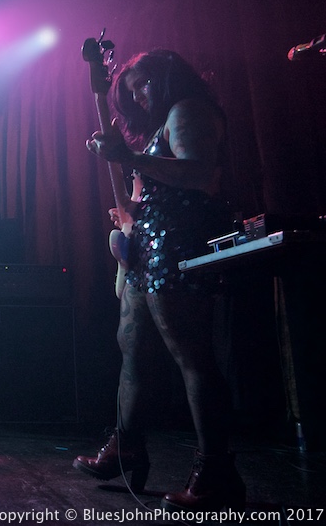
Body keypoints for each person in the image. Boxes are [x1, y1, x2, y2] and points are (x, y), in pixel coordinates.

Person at [76, 49, 245, 511]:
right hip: (148, 248)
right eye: (132, 92)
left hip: (180, 244)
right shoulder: (157, 128)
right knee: (130, 345)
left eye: (146, 85)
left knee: (191, 355)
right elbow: (142, 192)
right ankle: (126, 447)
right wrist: (128, 210)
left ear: (169, 78)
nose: (141, 97)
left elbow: (198, 174)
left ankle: (216, 471)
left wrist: (128, 156)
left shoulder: (188, 111)